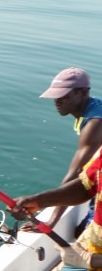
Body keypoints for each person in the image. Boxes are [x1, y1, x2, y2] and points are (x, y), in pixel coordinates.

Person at [21, 67, 102, 233]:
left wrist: (52, 220)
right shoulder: (94, 107)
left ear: (83, 92)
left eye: (64, 95)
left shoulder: (94, 124)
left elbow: (77, 174)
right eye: (55, 96)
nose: (57, 101)